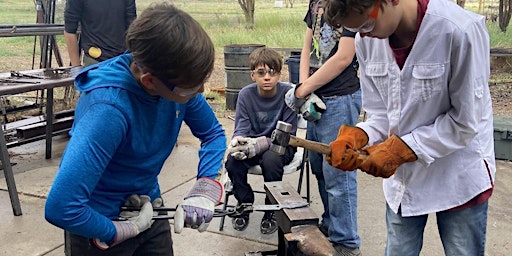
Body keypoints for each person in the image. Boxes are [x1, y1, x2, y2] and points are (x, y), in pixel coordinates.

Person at [45, 3, 226, 255]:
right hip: (97, 222)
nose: (200, 93)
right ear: (149, 81)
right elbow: (62, 206)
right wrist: (117, 231)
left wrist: (205, 186)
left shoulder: (178, 78)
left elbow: (213, 134)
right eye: (190, 89)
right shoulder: (108, 110)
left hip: (148, 206)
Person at [323, 0, 496, 255]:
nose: (366, 34)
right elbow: (381, 112)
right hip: (404, 181)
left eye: (368, 23)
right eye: (357, 30)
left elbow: (465, 121)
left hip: (458, 172)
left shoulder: (458, 30)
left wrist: (400, 149)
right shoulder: (367, 40)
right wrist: (361, 135)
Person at [285, 0, 362, 254]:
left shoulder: (349, 4)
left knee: (339, 174)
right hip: (315, 97)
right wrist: (303, 88)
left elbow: (343, 57)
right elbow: (307, 45)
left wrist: (305, 89)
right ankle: (332, 226)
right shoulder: (315, 2)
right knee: (319, 167)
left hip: (340, 99)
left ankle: (347, 243)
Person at [225, 47, 298, 235]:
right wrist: (238, 142)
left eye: (272, 72)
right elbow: (241, 128)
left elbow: (288, 134)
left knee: (271, 160)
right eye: (261, 72)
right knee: (232, 162)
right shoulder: (245, 95)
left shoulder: (288, 94)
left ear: (279, 74)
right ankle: (244, 202)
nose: (267, 77)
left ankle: (271, 210)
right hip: (251, 146)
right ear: (252, 75)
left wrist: (262, 143)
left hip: (280, 147)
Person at [64, 0, 137, 76]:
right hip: (95, 62)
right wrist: (76, 67)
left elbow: (132, 27)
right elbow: (70, 30)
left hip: (122, 60)